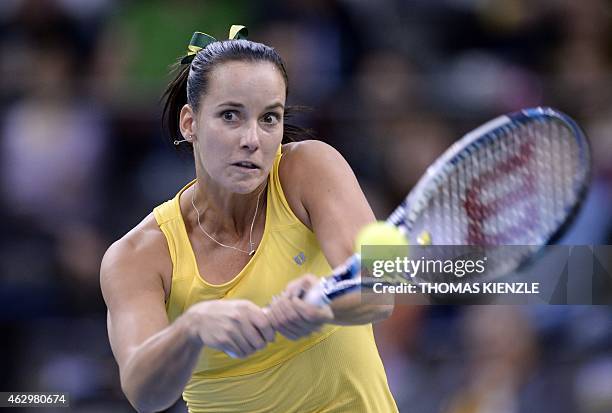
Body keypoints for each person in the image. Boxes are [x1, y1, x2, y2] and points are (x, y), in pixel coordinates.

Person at [100, 25, 398, 413]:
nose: (252, 139)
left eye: (269, 118)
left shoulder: (310, 168)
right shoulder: (138, 256)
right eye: (230, 116)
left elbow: (379, 290)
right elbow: (144, 393)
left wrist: (324, 305)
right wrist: (192, 328)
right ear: (189, 123)